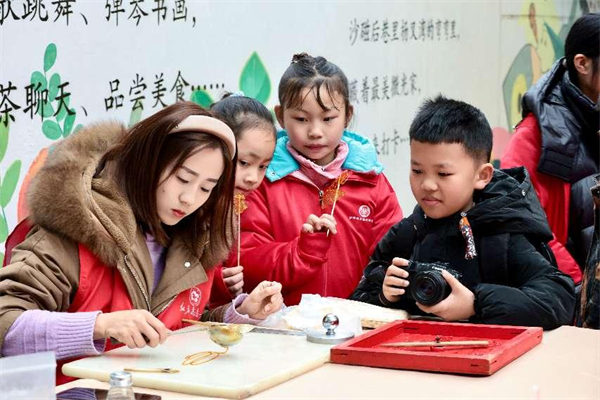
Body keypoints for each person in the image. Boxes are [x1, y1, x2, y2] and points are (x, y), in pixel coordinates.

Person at [0, 102, 283, 383]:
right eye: (183, 178)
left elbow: (177, 328)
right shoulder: (74, 229)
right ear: (147, 163)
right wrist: (101, 325)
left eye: (206, 187)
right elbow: (6, 323)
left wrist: (238, 314)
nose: (190, 198)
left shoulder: (198, 240)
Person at [350, 96, 575, 330]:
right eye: (417, 170)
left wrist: (475, 304)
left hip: (493, 352)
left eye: (443, 174)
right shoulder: (407, 234)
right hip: (414, 350)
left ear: (482, 176)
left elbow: (560, 300)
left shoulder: (503, 233)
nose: (427, 185)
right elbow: (357, 302)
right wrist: (384, 295)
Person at [239, 53, 403, 306]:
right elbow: (248, 263)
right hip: (279, 323)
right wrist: (302, 251)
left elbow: (392, 256)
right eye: (301, 119)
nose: (315, 132)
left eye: (328, 119)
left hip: (358, 321)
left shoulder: (371, 181)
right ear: (280, 116)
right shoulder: (262, 180)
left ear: (347, 115)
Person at [501, 13, 600, 285]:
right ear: (582, 63)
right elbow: (522, 221)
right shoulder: (537, 134)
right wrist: (580, 287)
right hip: (571, 291)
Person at [208, 94, 277, 306]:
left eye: (263, 166)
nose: (252, 178)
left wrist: (221, 283)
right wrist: (213, 281)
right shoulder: (187, 203)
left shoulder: (240, 204)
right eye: (244, 162)